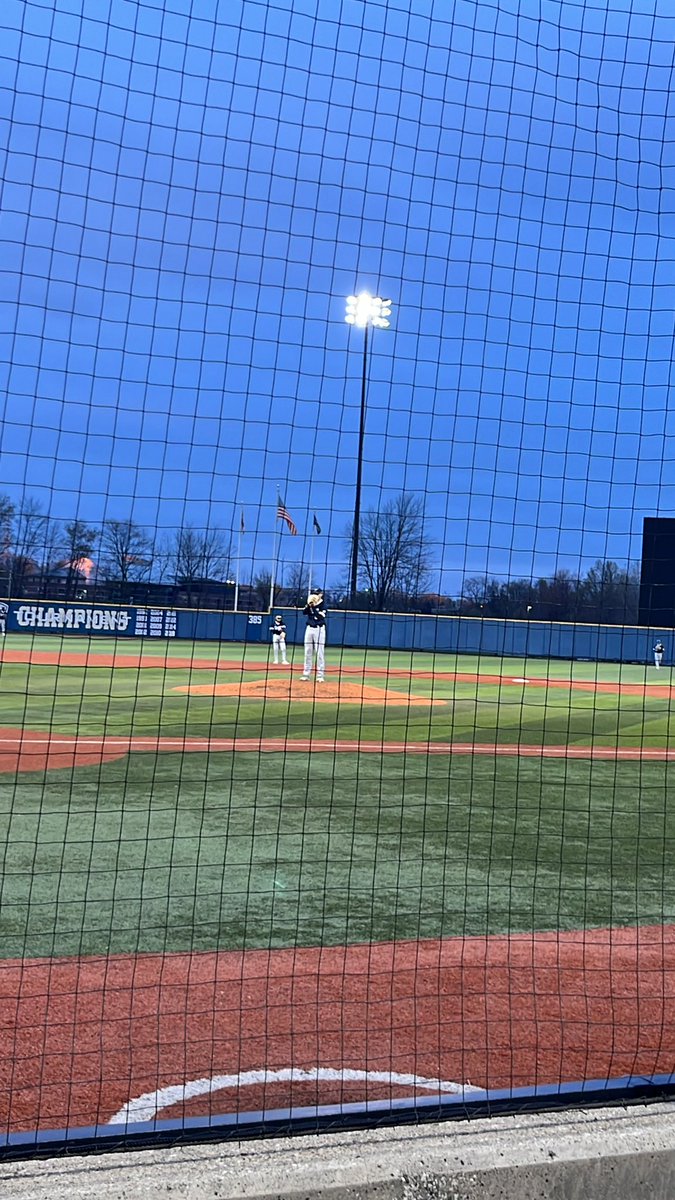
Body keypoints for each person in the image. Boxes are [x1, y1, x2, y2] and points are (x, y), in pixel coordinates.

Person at [301, 589, 326, 682]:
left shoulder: (323, 605)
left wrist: (314, 608)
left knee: (319, 652)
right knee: (307, 651)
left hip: (319, 629)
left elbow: (321, 616)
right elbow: (304, 612)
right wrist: (309, 606)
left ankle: (320, 675)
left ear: (321, 595)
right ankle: (306, 674)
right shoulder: (310, 603)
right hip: (309, 628)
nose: (315, 595)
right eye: (314, 593)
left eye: (317, 594)